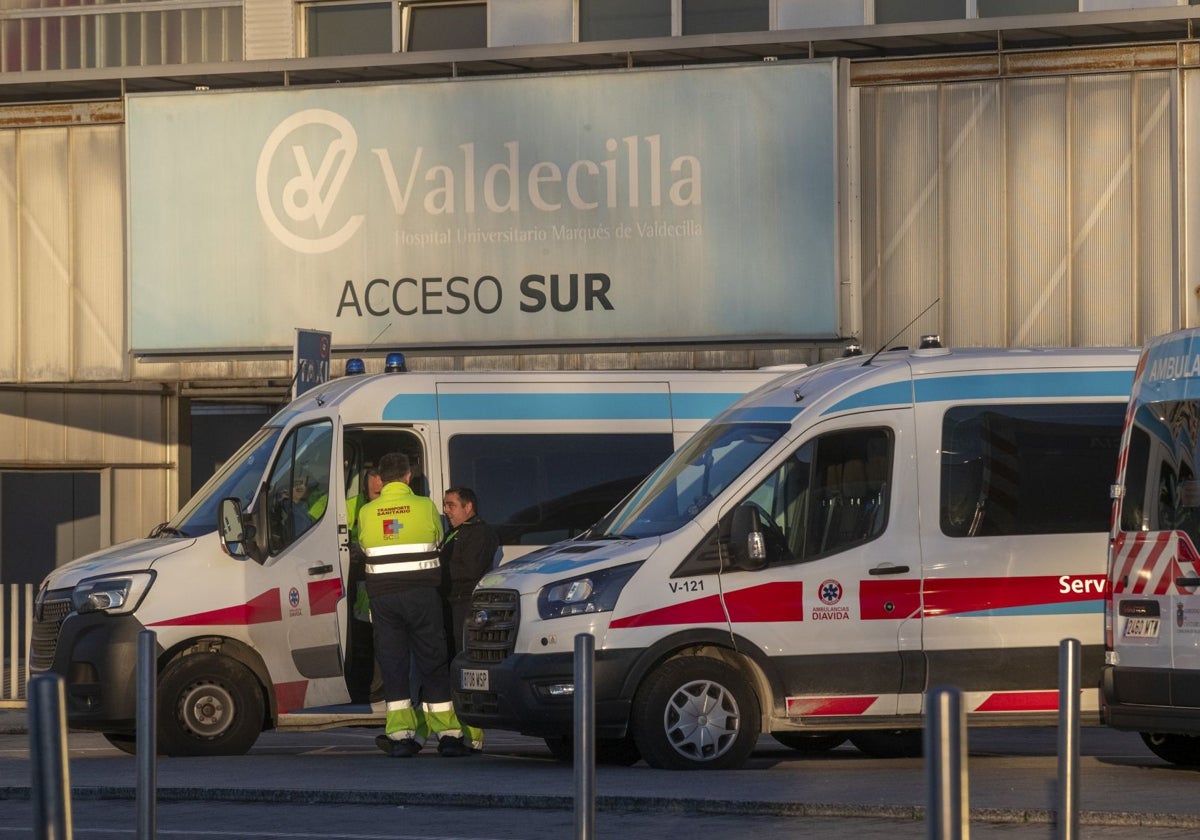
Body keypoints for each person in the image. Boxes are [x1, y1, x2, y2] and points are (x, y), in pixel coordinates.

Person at [356, 452, 471, 758]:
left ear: (380, 479)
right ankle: (448, 735)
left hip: (383, 599)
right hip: (421, 595)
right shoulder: (424, 506)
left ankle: (400, 737)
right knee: (432, 659)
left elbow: (365, 547)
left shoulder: (368, 511)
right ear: (408, 477)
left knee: (393, 664)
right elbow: (438, 541)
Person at [439, 486, 500, 753]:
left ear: (469, 507)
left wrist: (435, 568)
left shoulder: (480, 533)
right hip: (453, 603)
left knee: (467, 670)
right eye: (445, 505)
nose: (446, 510)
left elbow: (469, 569)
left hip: (466, 605)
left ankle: (472, 738)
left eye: (451, 505)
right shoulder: (456, 532)